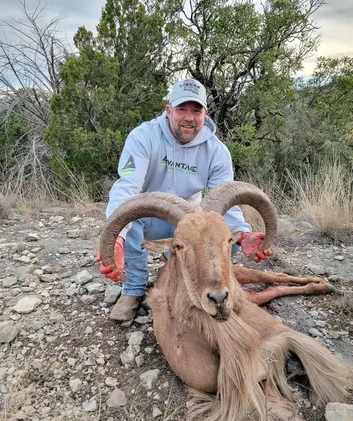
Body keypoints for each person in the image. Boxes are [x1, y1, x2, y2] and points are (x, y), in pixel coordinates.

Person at [98, 78, 271, 321]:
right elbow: (127, 188)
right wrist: (116, 236)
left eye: (196, 110)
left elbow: (226, 198)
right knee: (131, 213)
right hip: (152, 219)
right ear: (168, 110)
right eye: (182, 109)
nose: (189, 117)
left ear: (205, 114)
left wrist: (243, 232)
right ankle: (134, 288)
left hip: (190, 222)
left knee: (224, 241)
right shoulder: (143, 138)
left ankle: (188, 279)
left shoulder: (216, 151)